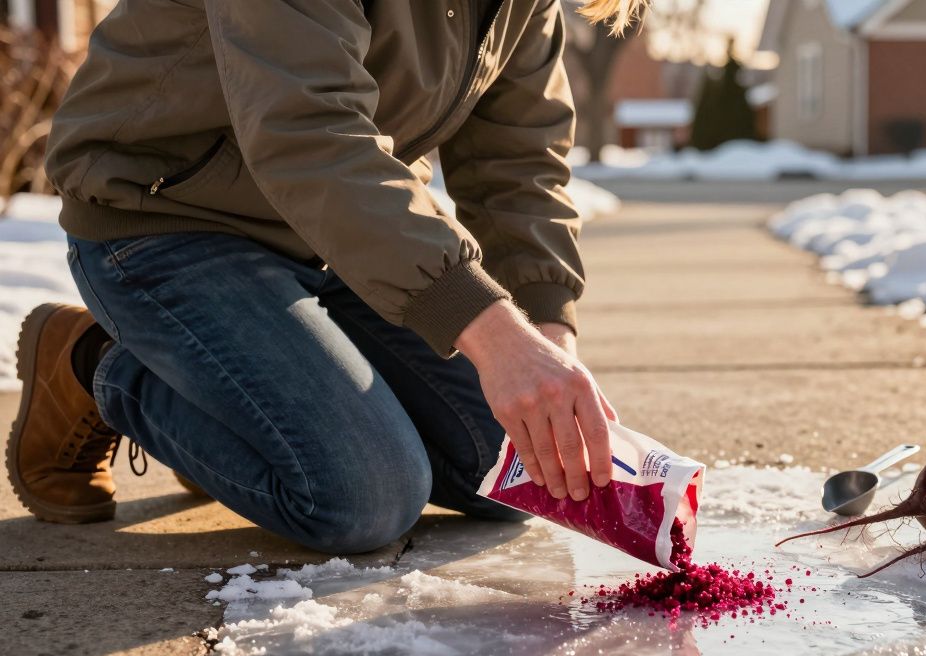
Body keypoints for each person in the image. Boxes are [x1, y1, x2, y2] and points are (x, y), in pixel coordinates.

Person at [6, 0, 643, 554]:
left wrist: (546, 334)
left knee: (517, 471)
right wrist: (493, 334)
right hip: (165, 216)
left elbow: (518, 163)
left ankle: (226, 395)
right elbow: (309, 132)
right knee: (365, 498)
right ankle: (91, 362)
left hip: (336, 234)